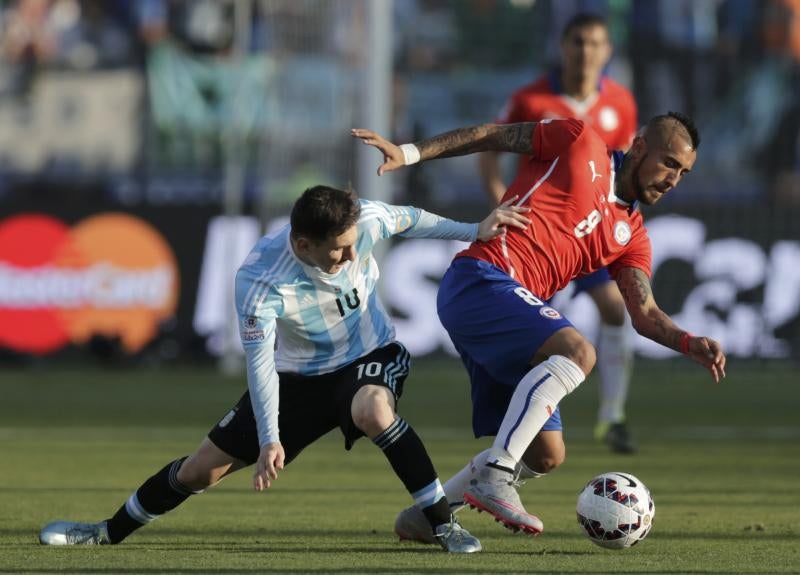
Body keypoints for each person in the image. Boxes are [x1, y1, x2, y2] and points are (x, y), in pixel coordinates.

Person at [38, 185, 532, 554]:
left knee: (373, 410)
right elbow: (260, 365)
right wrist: (271, 436)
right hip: (297, 379)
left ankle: (442, 522)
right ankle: (106, 532)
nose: (346, 257)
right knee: (197, 473)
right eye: (334, 250)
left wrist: (473, 229)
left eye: (350, 245)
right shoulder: (259, 281)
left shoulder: (366, 223)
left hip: (370, 355)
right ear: (301, 245)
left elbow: (411, 219)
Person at [352, 110, 726, 541]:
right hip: (481, 277)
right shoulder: (578, 141)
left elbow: (644, 313)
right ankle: (496, 475)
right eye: (668, 163)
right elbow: (490, 135)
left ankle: (428, 517)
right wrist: (410, 152)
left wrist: (686, 340)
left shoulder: (632, 235)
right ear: (640, 146)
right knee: (579, 352)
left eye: (683, 171)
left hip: (507, 310)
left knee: (546, 455)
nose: (673, 178)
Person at [478, 12, 639, 453]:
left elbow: (623, 172)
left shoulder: (621, 104)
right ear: (563, 47)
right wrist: (500, 200)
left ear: (607, 52)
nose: (586, 52)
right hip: (540, 235)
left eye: (595, 44)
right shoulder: (530, 100)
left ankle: (613, 414)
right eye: (578, 42)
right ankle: (524, 421)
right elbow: (490, 149)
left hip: (590, 235)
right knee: (538, 335)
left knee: (614, 307)